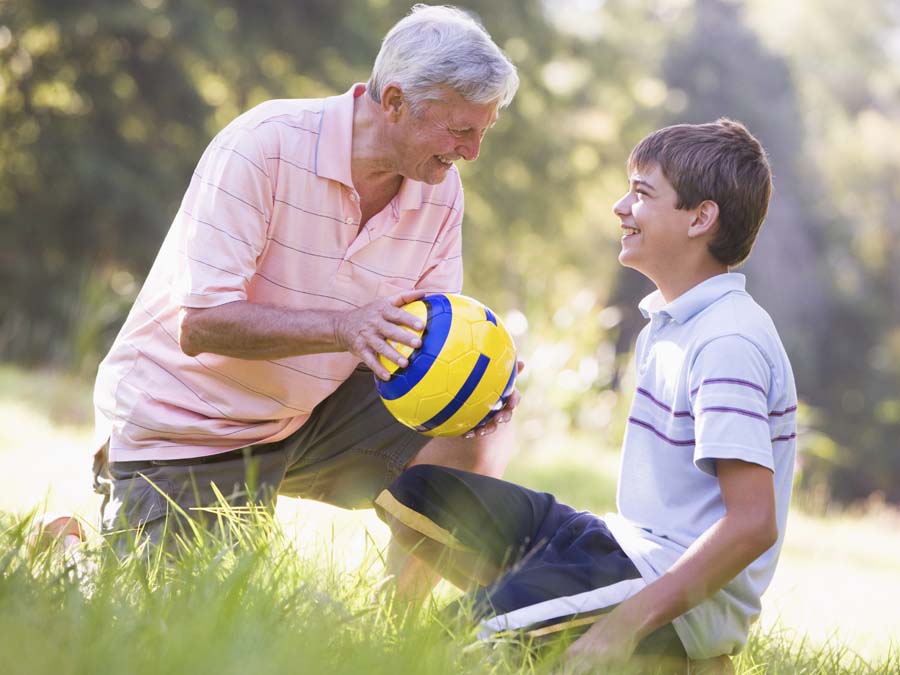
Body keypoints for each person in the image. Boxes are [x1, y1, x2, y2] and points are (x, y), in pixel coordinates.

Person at [91, 4, 520, 566]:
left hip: (312, 416)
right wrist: (346, 327)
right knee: (205, 620)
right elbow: (199, 325)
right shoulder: (264, 144)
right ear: (394, 102)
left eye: (482, 132)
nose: (472, 152)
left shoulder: (438, 189)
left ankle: (398, 628)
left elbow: (425, 332)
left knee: (473, 424)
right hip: (190, 429)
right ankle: (73, 543)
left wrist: (479, 378)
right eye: (462, 130)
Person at [375, 118, 797, 672]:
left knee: (456, 642)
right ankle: (540, 615)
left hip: (666, 583)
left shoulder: (728, 341)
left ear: (701, 217)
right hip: (618, 544)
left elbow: (751, 524)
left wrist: (622, 627)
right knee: (417, 493)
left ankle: (672, 656)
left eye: (642, 194)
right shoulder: (668, 324)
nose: (621, 208)